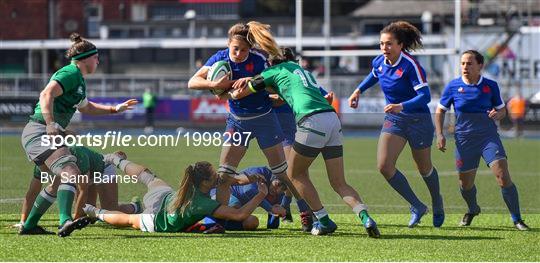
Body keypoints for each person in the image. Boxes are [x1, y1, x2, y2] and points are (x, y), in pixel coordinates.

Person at [230, 22, 380, 237]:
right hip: (332, 119)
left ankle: (324, 220)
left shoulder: (272, 72)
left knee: (294, 173)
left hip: (311, 121)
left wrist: (227, 87)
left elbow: (240, 94)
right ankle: (365, 217)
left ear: (270, 62)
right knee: (339, 182)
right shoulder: (301, 70)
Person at [187, 22, 312, 231]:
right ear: (228, 44)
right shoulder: (219, 58)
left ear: (251, 49)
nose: (238, 53)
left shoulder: (259, 59)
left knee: (282, 172)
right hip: (237, 122)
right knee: (225, 176)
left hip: (265, 120)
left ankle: (305, 210)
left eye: (243, 49)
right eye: (234, 48)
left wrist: (257, 85)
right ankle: (221, 220)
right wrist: (214, 85)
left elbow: (273, 83)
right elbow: (192, 82)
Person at [19, 33, 137, 236]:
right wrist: (50, 124)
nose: (98, 61)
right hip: (39, 131)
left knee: (57, 181)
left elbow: (86, 107)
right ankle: (65, 221)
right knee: (70, 172)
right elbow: (46, 94)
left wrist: (114, 109)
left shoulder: (79, 81)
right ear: (86, 58)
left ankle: (29, 226)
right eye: (96, 58)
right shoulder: (70, 73)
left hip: (41, 133)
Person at [347, 21, 444, 228]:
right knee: (384, 166)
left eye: (389, 44)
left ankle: (437, 201)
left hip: (418, 120)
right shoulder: (379, 62)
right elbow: (374, 75)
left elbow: (425, 96)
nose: (384, 48)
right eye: (382, 44)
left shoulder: (411, 65)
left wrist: (402, 105)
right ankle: (417, 205)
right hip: (395, 120)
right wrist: (358, 91)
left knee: (424, 168)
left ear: (400, 45)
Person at [435, 50, 529, 231]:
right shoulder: (453, 86)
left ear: (480, 66)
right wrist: (439, 134)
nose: (465, 67)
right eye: (462, 63)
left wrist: (498, 113)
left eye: (469, 63)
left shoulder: (490, 86)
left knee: (502, 175)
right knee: (465, 184)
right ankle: (472, 209)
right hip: (464, 140)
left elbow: (502, 110)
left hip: (488, 138)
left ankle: (517, 219)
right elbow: (440, 111)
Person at [83, 154, 268, 233]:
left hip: (163, 196)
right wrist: (260, 194)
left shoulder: (193, 183)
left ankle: (116, 159)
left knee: (147, 176)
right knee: (128, 220)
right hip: (156, 219)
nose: (217, 176)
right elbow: (239, 215)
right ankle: (93, 211)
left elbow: (227, 179)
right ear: (205, 182)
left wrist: (250, 178)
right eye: (213, 175)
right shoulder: (202, 203)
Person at [16, 146, 142, 233]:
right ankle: (97, 214)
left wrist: (73, 221)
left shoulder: (76, 156)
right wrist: (23, 222)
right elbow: (31, 194)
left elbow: (83, 189)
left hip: (101, 170)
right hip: (85, 174)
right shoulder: (41, 164)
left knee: (111, 210)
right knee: (89, 212)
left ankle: (135, 207)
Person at [205, 166, 287, 230]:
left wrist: (276, 216)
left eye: (283, 189)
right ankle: (211, 221)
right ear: (274, 176)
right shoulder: (261, 171)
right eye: (278, 184)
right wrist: (270, 208)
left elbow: (273, 220)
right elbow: (248, 191)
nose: (277, 190)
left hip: (238, 212)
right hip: (221, 194)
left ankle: (218, 225)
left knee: (252, 222)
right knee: (235, 205)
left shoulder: (279, 194)